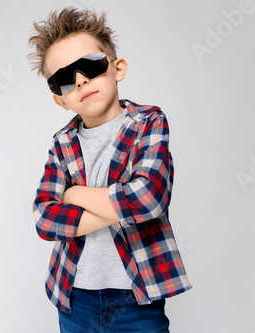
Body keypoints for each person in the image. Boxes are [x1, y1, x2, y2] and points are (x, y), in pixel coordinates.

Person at [27, 6, 192, 332]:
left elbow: (148, 200)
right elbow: (45, 218)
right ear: (61, 99)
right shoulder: (62, 144)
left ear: (117, 68)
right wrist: (122, 205)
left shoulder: (149, 124)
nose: (81, 80)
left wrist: (75, 194)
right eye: (64, 78)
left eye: (90, 65)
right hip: (75, 298)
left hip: (137, 296)